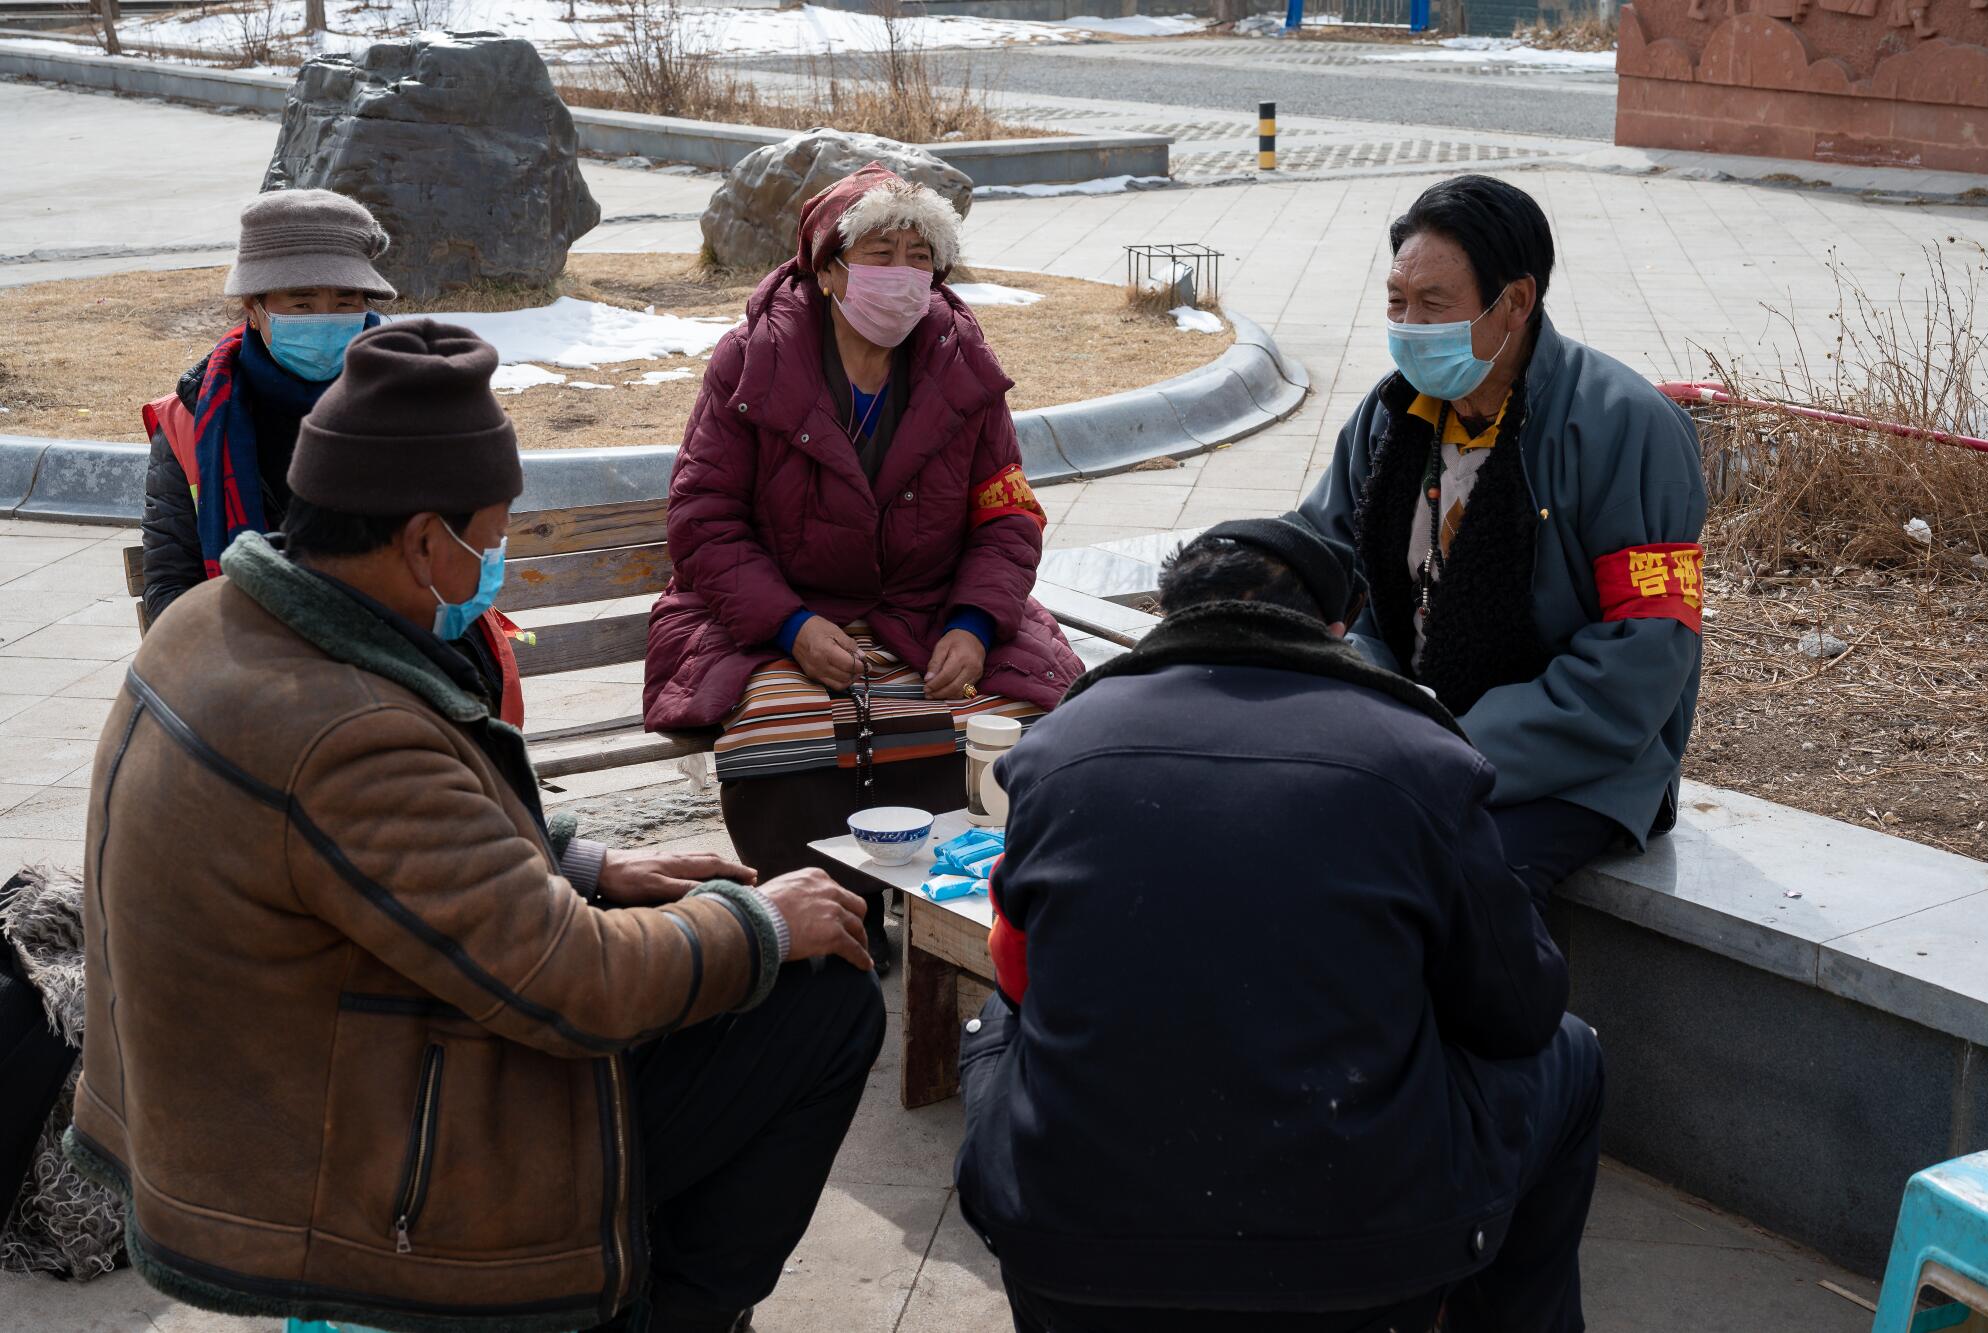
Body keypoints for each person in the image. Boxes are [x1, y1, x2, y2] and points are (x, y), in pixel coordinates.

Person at [70, 321, 885, 1333]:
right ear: (421, 539)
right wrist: (764, 924)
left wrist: (590, 862)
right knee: (817, 997)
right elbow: (575, 982)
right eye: (491, 533)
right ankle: (666, 1312)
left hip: (260, 1101)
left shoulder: (215, 620)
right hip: (344, 1178)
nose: (492, 559)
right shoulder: (347, 730)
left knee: (721, 950)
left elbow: (368, 861)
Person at [957, 517, 1605, 1333]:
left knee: (994, 1025)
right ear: (1335, 635)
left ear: (1169, 615)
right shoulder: (1419, 755)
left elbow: (1017, 973)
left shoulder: (1056, 749)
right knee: (1571, 1054)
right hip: (1365, 1270)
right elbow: (1520, 1008)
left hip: (1071, 1257)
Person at [643, 164, 1084, 965]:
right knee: (782, 740)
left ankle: (956, 910)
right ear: (827, 266)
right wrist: (791, 623)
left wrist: (976, 623)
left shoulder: (963, 363)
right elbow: (702, 519)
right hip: (774, 617)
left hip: (927, 609)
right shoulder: (750, 362)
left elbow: (1007, 510)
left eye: (923, 257)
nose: (904, 277)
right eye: (883, 252)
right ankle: (824, 920)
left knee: (1025, 732)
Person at [1299, 174, 1707, 906]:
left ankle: (1519, 1025)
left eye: (1434, 305)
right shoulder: (1390, 415)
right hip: (1406, 740)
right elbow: (1322, 570)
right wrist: (1379, 711)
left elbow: (1644, 655)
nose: (1408, 326)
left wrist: (1450, 748)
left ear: (1515, 302)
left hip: (1579, 765)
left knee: (1448, 881)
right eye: (1397, 302)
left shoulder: (1626, 427)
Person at [137, 188, 531, 726]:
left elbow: (461, 555)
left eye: (347, 301)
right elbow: (171, 588)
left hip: (418, 656)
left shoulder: (423, 396)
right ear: (254, 308)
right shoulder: (192, 423)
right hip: (257, 672)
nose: (327, 316)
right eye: (301, 302)